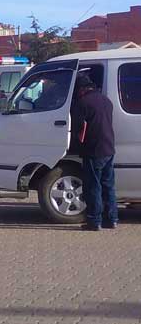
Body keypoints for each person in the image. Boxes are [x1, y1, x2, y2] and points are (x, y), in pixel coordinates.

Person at [71, 74, 117, 231]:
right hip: (109, 148)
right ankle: (112, 219)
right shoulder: (106, 100)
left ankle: (94, 221)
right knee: (108, 186)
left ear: (82, 89)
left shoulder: (83, 103)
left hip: (93, 150)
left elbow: (77, 128)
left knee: (93, 187)